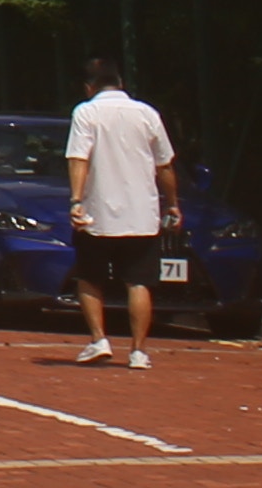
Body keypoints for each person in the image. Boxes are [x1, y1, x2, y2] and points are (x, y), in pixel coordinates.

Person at [64, 57, 180, 367]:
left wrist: (76, 201)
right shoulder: (147, 113)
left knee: (89, 277)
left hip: (97, 213)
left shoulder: (86, 112)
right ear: (121, 83)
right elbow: (165, 165)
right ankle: (139, 351)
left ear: (89, 87)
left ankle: (99, 339)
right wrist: (172, 204)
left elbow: (78, 158)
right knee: (139, 282)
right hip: (142, 214)